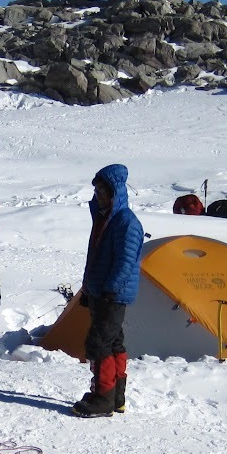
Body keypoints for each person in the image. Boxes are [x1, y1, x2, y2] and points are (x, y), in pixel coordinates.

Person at [73, 164, 143, 417]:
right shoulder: (105, 219)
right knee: (113, 343)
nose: (98, 195)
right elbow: (94, 259)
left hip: (112, 294)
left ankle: (102, 398)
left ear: (115, 192)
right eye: (97, 190)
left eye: (103, 190)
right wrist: (88, 289)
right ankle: (116, 398)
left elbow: (127, 261)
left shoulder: (126, 222)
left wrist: (110, 290)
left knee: (100, 343)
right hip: (100, 291)